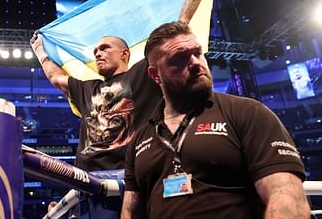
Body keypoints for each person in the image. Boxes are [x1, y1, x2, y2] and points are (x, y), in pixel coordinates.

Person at [31, 0, 217, 173]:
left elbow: (179, 26)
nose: (98, 53)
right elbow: (56, 78)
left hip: (133, 172)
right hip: (88, 176)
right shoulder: (88, 88)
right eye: (95, 50)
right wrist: (40, 50)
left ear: (125, 53)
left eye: (105, 48)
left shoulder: (144, 74)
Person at [121, 21, 310, 218]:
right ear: (155, 75)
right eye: (180, 58)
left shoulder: (248, 112)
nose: (195, 62)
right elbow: (130, 211)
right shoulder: (139, 139)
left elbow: (287, 197)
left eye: (198, 53)